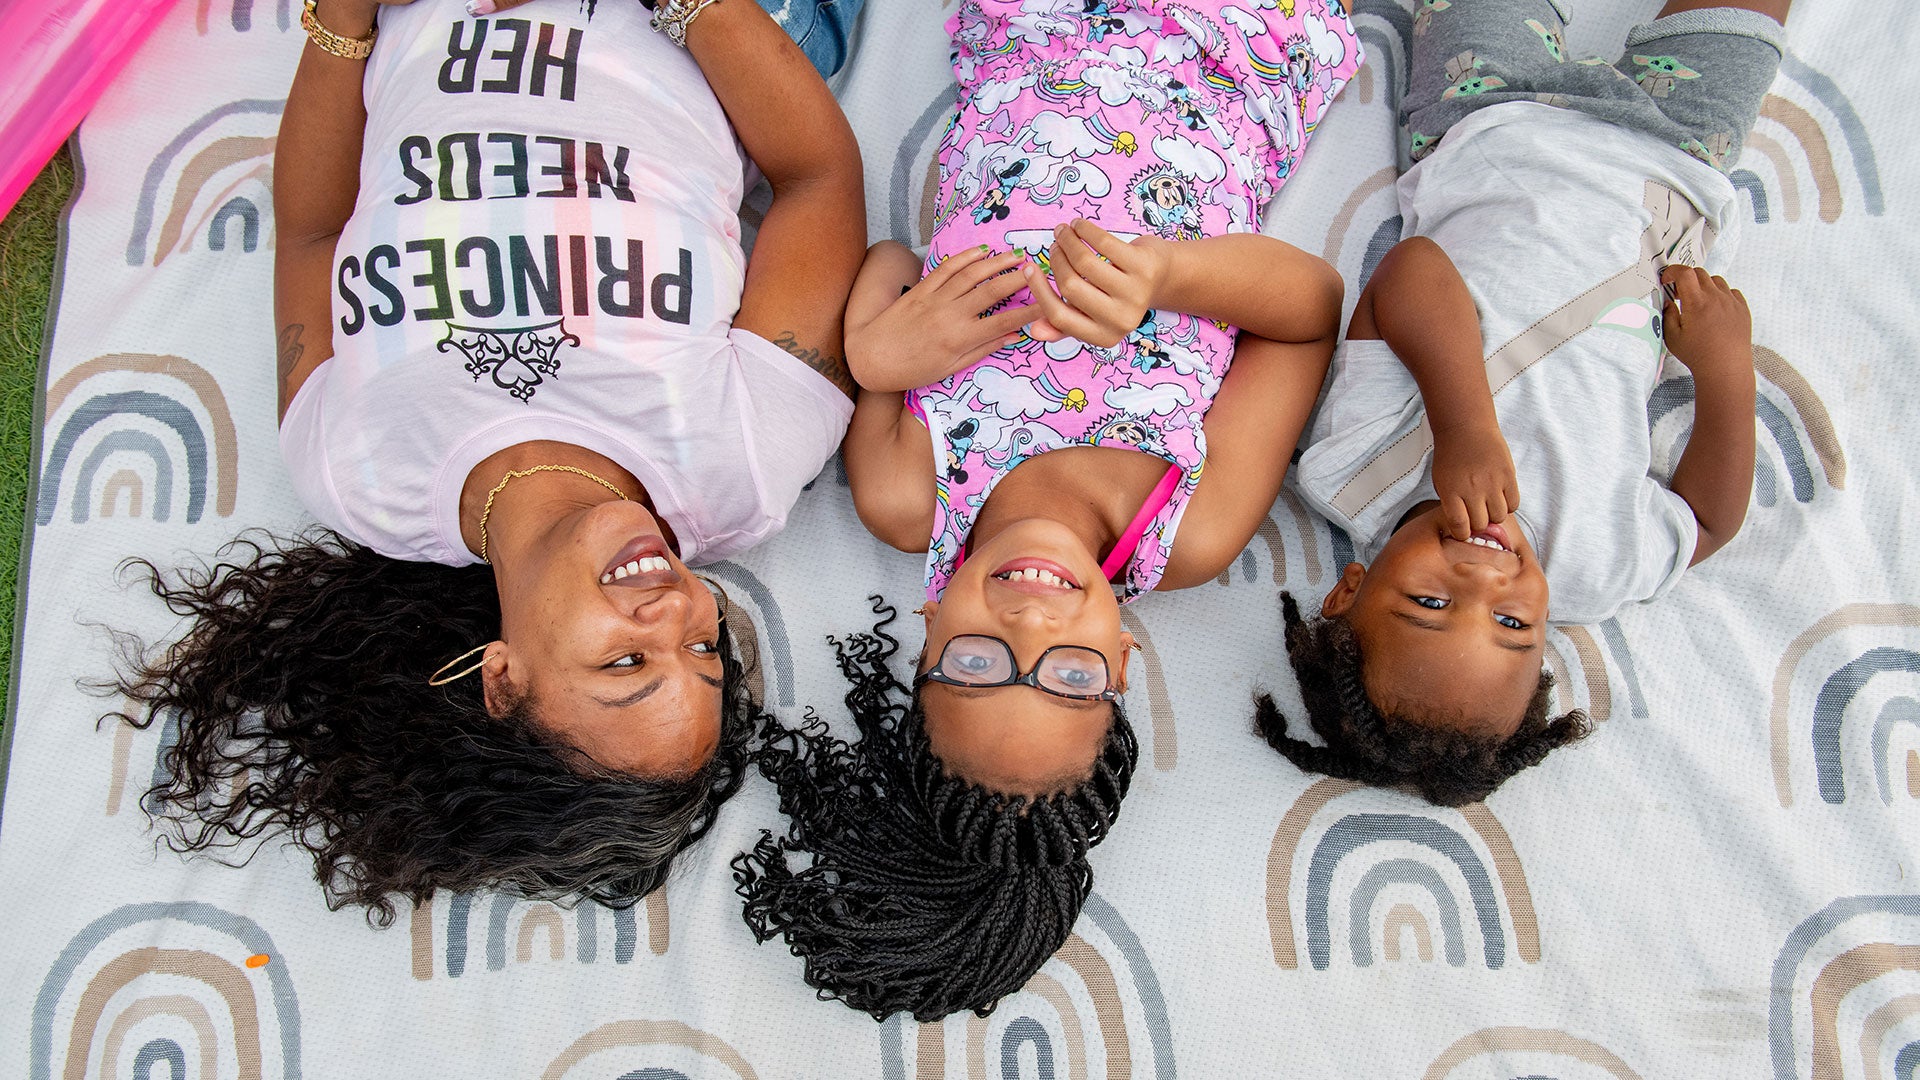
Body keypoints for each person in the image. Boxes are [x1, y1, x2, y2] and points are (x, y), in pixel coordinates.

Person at [117, 0, 866, 923]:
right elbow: (815, 177)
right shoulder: (743, 461)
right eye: (706, 648)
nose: (675, 611)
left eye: (628, 661)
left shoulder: (360, 472)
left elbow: (312, 230)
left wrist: (345, 19)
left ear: (503, 678)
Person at [734, 0, 1359, 1019]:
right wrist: (1168, 271)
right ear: (1122, 662)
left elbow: (891, 267)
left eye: (978, 666)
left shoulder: (908, 494)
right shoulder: (1185, 526)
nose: (1027, 625)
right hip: (1231, 53)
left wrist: (879, 355)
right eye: (1068, 677)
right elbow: (1306, 317)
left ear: (928, 635)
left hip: (1027, 33)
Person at [1277, 0, 1789, 805]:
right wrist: (1727, 373)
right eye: (1515, 627)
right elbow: (1709, 521)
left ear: (1349, 592)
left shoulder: (1354, 474)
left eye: (1432, 601)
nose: (1487, 581)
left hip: (1488, 117)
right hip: (1675, 161)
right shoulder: (1594, 565)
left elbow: (1410, 271)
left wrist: (1464, 426)